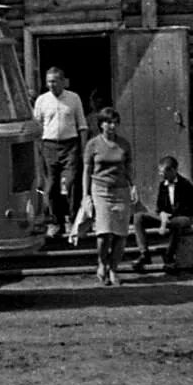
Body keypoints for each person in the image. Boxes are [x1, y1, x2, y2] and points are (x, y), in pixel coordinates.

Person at [82, 106, 135, 286]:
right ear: (101, 124)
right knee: (104, 233)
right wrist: (85, 194)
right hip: (101, 190)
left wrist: (133, 186)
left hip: (121, 190)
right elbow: (86, 171)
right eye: (107, 122)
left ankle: (113, 269)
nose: (111, 126)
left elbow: (128, 168)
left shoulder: (124, 144)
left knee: (120, 234)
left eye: (114, 122)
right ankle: (102, 263)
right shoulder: (93, 144)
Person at [32, 67, 87, 239]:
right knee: (50, 186)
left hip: (70, 145)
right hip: (48, 146)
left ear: (63, 81)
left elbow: (82, 126)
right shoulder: (42, 100)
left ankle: (70, 219)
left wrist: (83, 149)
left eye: (55, 81)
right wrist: (38, 148)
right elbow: (36, 126)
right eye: (49, 82)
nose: (51, 85)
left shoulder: (73, 98)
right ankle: (55, 222)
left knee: (70, 183)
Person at [136, 154, 193, 274]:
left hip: (182, 217)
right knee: (138, 217)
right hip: (166, 217)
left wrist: (168, 216)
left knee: (176, 223)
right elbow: (159, 207)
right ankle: (144, 254)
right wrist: (162, 214)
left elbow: (188, 209)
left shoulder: (186, 185)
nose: (160, 174)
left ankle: (169, 256)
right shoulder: (162, 185)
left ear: (173, 170)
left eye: (162, 172)